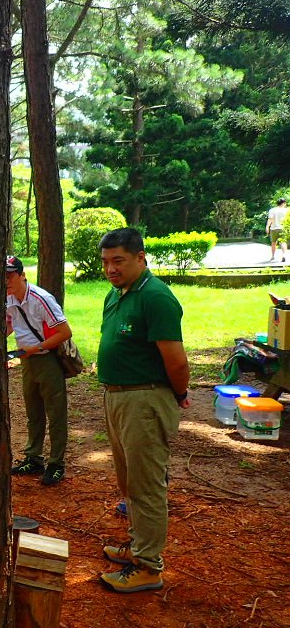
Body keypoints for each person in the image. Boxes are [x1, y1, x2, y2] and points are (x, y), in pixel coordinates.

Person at [97, 228, 189, 593]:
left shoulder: (156, 297)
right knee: (129, 482)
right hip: (118, 397)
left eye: (118, 261)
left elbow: (176, 361)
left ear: (140, 257)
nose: (111, 269)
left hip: (144, 400)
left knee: (146, 485)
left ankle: (149, 566)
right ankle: (138, 546)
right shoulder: (117, 294)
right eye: (106, 262)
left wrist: (179, 394)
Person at [5, 256, 73, 486]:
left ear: (22, 275)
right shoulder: (7, 298)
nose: (6, 281)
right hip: (27, 360)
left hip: (47, 358)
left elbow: (65, 332)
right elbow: (9, 324)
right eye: (3, 276)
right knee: (33, 411)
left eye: (10, 275)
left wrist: (37, 348)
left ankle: (56, 463)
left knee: (55, 413)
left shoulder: (40, 299)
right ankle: (33, 458)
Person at [267, 197, 288, 262]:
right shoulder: (286, 210)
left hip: (274, 229)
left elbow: (270, 219)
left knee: (273, 243)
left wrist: (267, 227)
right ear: (283, 203)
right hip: (283, 228)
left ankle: (273, 256)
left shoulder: (272, 210)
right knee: (283, 242)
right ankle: (284, 255)